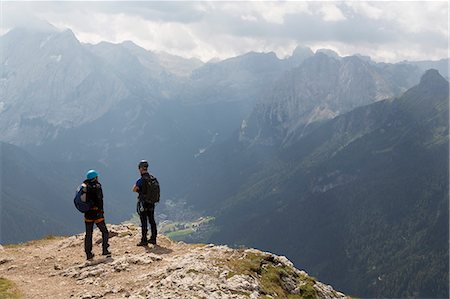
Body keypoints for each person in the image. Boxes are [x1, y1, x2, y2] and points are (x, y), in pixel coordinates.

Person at [83, 169, 110, 260]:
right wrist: (101, 211)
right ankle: (105, 250)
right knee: (105, 232)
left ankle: (88, 253)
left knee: (89, 233)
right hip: (97, 214)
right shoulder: (97, 186)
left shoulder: (85, 186)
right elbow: (100, 200)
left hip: (87, 214)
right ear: (95, 178)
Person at [132, 160, 158, 246]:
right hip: (151, 202)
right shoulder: (152, 178)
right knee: (152, 220)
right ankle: (153, 239)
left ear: (140, 168)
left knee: (144, 221)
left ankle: (144, 240)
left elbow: (134, 189)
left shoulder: (141, 180)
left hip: (143, 203)